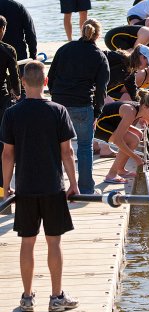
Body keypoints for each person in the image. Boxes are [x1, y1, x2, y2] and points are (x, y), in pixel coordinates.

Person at [0, 61, 80, 312]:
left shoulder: (11, 113)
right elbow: (67, 153)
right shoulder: (58, 110)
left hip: (25, 188)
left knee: (27, 243)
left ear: (23, 82)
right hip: (53, 187)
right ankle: (56, 297)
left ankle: (26, 297)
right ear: (46, 82)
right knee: (53, 243)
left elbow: (7, 156)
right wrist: (74, 184)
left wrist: (6, 187)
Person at [48, 19, 110, 194]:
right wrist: (97, 113)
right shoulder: (99, 56)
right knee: (84, 146)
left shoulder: (64, 49)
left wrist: (55, 97)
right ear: (98, 35)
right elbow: (101, 90)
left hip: (58, 104)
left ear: (81, 30)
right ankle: (85, 189)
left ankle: (55, 187)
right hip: (82, 105)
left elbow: (51, 77)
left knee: (55, 147)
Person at [94, 44, 149, 157]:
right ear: (142, 57)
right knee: (111, 109)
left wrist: (142, 113)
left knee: (111, 106)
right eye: (147, 64)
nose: (146, 67)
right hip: (88, 87)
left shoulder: (130, 71)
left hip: (98, 90)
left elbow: (134, 93)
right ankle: (104, 148)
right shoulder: (117, 58)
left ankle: (96, 145)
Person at [0, 15, 21, 187]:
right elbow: (14, 77)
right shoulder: (7, 50)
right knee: (3, 144)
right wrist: (18, 93)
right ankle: (2, 190)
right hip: (1, 100)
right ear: (2, 29)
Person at [0, 0, 37, 70]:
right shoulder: (19, 7)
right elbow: (30, 33)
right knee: (19, 81)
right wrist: (33, 55)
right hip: (17, 52)